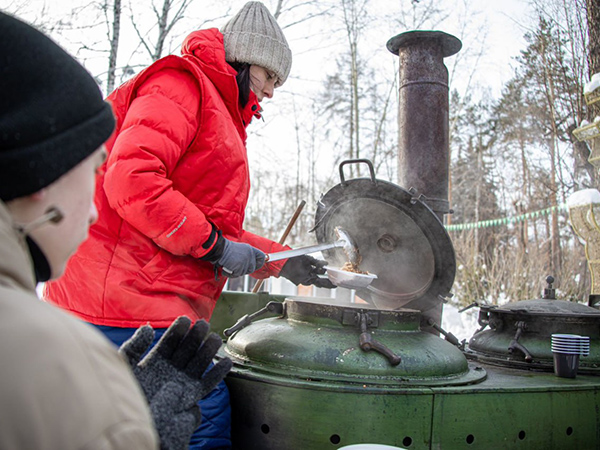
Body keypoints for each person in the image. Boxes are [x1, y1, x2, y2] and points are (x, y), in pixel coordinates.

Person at [43, 1, 335, 448]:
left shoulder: (218, 110)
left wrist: (281, 262)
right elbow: (132, 180)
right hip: (123, 300)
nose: (272, 92)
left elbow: (206, 222)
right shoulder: (181, 84)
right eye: (269, 76)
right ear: (244, 58)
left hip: (143, 296)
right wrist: (216, 248)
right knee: (203, 415)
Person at [0, 11, 231, 450]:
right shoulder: (42, 355)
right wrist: (124, 428)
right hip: (133, 303)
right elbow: (133, 181)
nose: (92, 212)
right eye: (90, 172)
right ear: (41, 177)